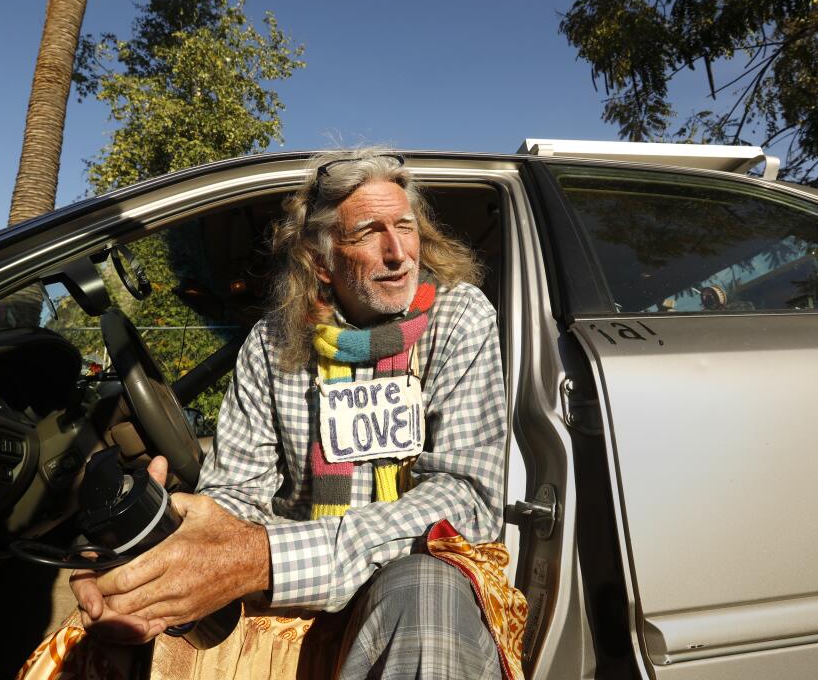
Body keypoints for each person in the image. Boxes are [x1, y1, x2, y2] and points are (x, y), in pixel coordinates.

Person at [70, 148, 510, 678]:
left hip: (404, 577)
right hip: (295, 581)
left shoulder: (460, 317)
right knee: (105, 631)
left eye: (407, 227)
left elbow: (466, 499)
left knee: (424, 586)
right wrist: (165, 546)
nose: (399, 253)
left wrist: (269, 557)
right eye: (370, 232)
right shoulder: (272, 342)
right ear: (322, 261)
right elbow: (237, 491)